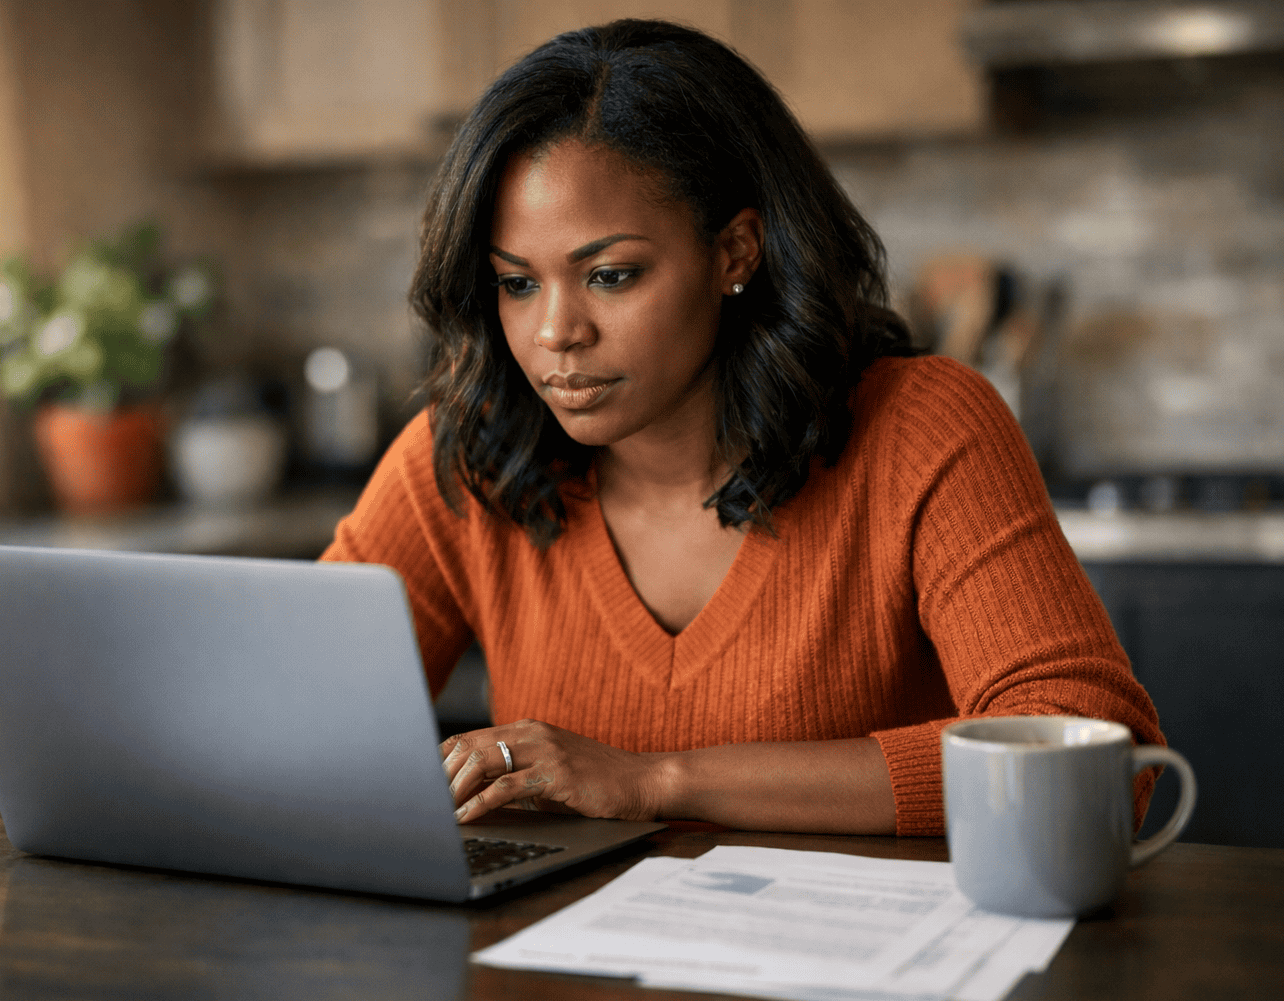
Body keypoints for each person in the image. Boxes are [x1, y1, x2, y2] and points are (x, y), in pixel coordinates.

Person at [321, 19, 1162, 835]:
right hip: (562, 972)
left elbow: (1098, 758)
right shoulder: (467, 453)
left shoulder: (924, 431)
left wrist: (655, 779)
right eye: (515, 284)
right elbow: (294, 724)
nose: (555, 334)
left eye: (610, 275)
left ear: (735, 252)